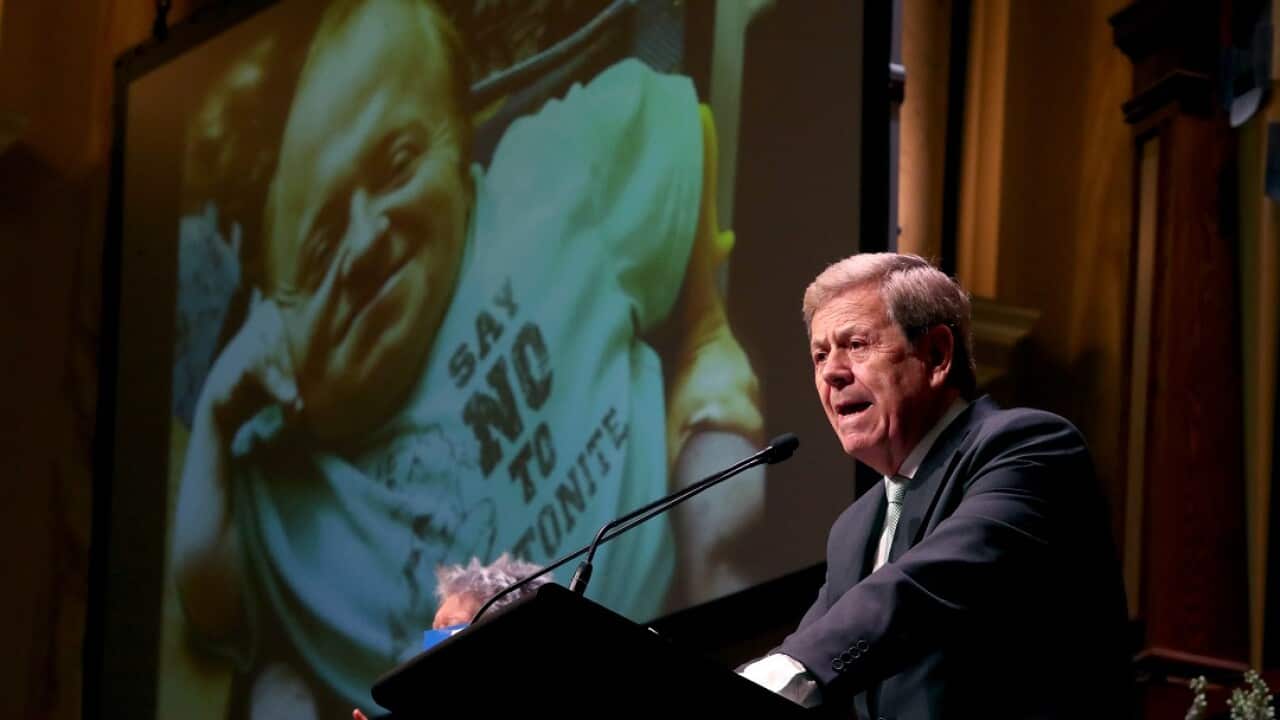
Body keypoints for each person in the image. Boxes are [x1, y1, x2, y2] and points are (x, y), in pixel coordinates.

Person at [171, 0, 765, 715]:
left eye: (396, 165)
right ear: (268, 314)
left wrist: (704, 326)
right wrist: (216, 412)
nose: (364, 241)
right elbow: (206, 596)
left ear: (459, 144)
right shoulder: (278, 475)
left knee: (722, 482)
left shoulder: (546, 182)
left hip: (656, 632)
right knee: (276, 696)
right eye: (322, 247)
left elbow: (684, 131)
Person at [738, 253, 1132, 718]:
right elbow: (806, 653)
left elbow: (930, 584)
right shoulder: (855, 528)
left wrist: (793, 668)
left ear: (936, 355)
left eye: (856, 345)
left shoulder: (1028, 448)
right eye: (820, 355)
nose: (831, 372)